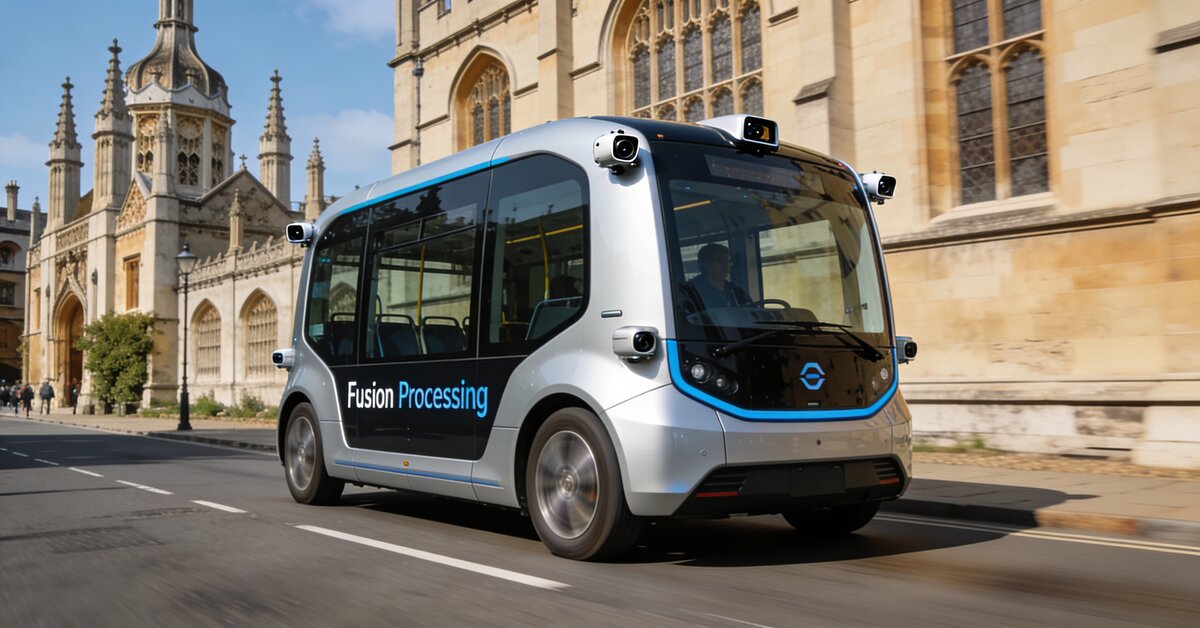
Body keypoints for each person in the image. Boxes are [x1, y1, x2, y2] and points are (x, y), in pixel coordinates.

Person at [684, 243, 752, 311]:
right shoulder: (691, 292)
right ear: (705, 264)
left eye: (728, 261)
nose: (726, 266)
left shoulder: (737, 292)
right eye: (720, 261)